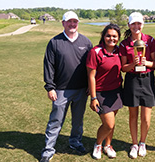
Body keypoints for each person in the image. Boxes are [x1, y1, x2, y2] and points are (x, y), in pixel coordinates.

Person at [40, 11, 92, 162]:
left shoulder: (86, 42)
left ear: (78, 23)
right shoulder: (55, 42)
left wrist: (90, 85)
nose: (72, 24)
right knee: (55, 121)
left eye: (75, 21)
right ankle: (48, 149)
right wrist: (50, 87)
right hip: (60, 90)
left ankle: (75, 142)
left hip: (81, 89)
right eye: (69, 21)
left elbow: (91, 67)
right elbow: (48, 66)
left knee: (78, 120)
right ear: (63, 23)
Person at [119, 12, 155, 159]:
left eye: (139, 23)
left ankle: (142, 142)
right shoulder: (124, 43)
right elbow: (123, 68)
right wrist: (133, 64)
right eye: (133, 24)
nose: (136, 26)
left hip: (147, 79)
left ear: (143, 25)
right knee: (133, 115)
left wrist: (144, 62)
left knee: (146, 117)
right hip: (132, 80)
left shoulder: (150, 40)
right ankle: (134, 144)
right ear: (129, 25)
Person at [86, 24, 123, 159]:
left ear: (118, 38)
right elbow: (91, 76)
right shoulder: (95, 52)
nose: (111, 39)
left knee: (111, 121)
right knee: (108, 124)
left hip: (116, 92)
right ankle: (98, 144)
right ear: (103, 36)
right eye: (108, 36)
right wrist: (93, 97)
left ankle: (108, 145)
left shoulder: (119, 50)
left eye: (114, 36)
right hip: (101, 93)